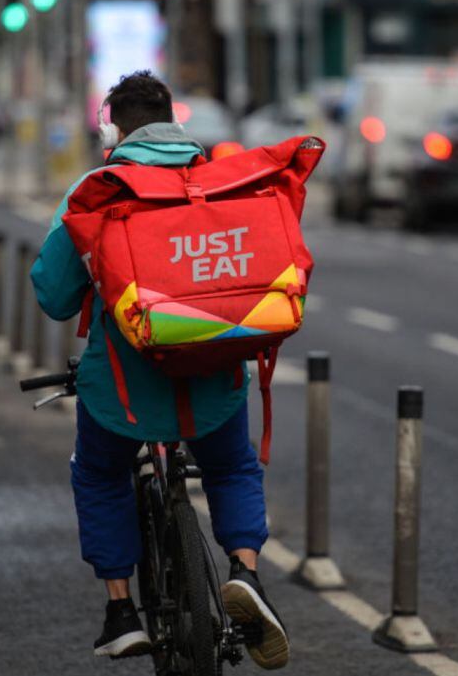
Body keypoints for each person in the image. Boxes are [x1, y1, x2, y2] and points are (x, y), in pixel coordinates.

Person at [30, 71, 289, 670]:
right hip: (215, 376)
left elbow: (55, 295)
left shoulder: (98, 189)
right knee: (230, 466)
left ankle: (121, 611)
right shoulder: (223, 182)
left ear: (114, 129)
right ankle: (246, 572)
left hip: (122, 389)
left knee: (99, 474)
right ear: (174, 119)